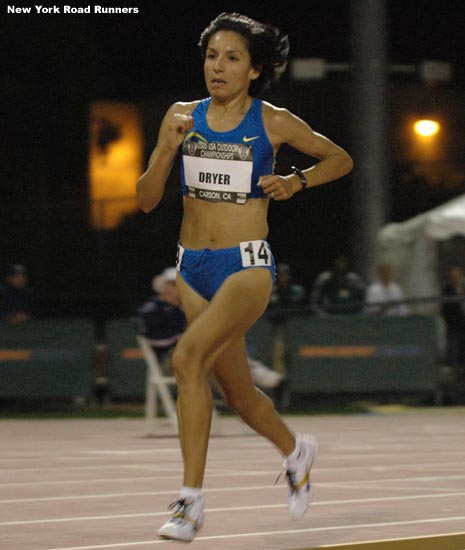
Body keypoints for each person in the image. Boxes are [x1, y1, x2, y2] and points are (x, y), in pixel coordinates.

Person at [136, 12, 353, 542]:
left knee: (188, 358)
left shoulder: (272, 121)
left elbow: (339, 159)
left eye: (232, 58)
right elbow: (144, 202)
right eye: (212, 56)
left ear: (254, 70)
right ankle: (296, 452)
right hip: (192, 266)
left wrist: (295, 182)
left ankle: (190, 503)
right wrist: (167, 146)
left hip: (246, 265)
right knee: (239, 394)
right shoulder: (182, 116)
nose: (219, 67)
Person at [137, 267, 284, 388]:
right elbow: (153, 340)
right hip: (168, 362)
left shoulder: (182, 310)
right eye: (175, 285)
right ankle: (252, 375)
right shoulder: (152, 310)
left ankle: (245, 395)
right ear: (164, 288)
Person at [440, 265, 465, 374]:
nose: (456, 278)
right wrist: (452, 321)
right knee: (454, 349)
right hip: (453, 326)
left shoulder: (463, 288)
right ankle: (453, 373)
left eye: (458, 276)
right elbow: (445, 309)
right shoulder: (447, 290)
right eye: (454, 276)